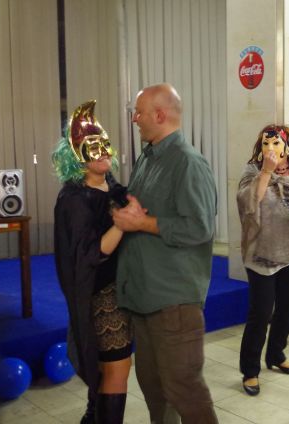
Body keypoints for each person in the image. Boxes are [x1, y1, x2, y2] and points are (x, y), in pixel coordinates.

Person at [112, 83, 218, 423]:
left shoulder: (187, 162)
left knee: (184, 390)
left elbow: (199, 227)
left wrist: (142, 223)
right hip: (145, 297)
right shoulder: (149, 157)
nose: (134, 119)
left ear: (159, 115)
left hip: (173, 301)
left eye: (139, 112)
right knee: (154, 388)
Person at [53, 100, 133, 424]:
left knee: (110, 370)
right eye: (91, 146)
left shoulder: (110, 184)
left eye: (104, 143)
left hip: (120, 288)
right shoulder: (74, 199)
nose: (102, 152)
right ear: (75, 155)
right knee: (117, 369)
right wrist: (122, 224)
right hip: (101, 295)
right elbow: (89, 255)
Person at [236, 124, 289, 396]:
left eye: (276, 143)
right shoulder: (252, 172)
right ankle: (250, 370)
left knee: (287, 309)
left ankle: (276, 354)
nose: (271, 149)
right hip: (262, 254)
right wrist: (266, 171)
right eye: (266, 144)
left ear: (288, 147)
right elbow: (248, 203)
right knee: (261, 313)